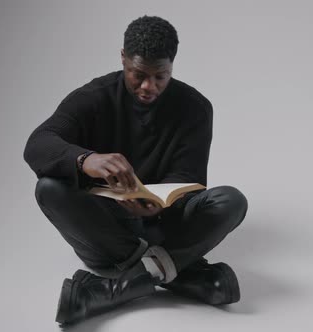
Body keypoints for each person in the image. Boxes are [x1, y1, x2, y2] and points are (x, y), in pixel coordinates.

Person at [23, 15, 248, 325]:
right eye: (137, 74)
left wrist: (154, 206)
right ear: (123, 59)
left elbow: (189, 179)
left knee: (232, 201)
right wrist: (84, 159)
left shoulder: (195, 107)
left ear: (172, 66)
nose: (148, 86)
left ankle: (111, 289)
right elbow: (37, 144)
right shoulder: (92, 98)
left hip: (166, 227)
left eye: (161, 76)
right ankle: (174, 273)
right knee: (49, 188)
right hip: (107, 235)